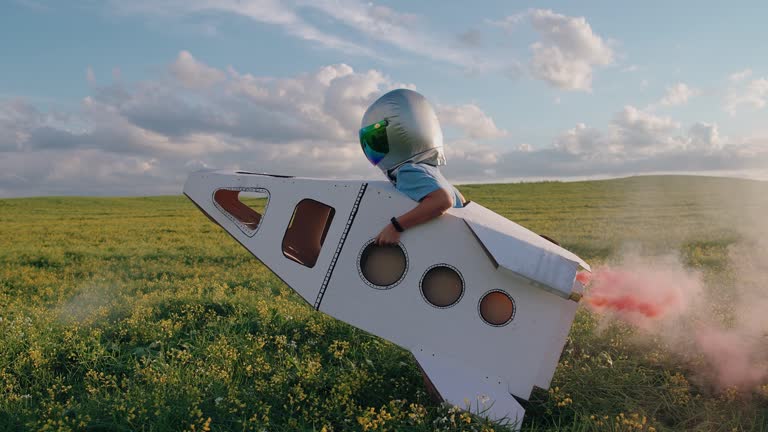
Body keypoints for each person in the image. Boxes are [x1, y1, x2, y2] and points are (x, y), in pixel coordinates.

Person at [358, 88, 465, 246]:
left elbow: (443, 201)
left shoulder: (408, 171)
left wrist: (395, 227)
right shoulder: (433, 173)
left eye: (376, 140)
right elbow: (462, 202)